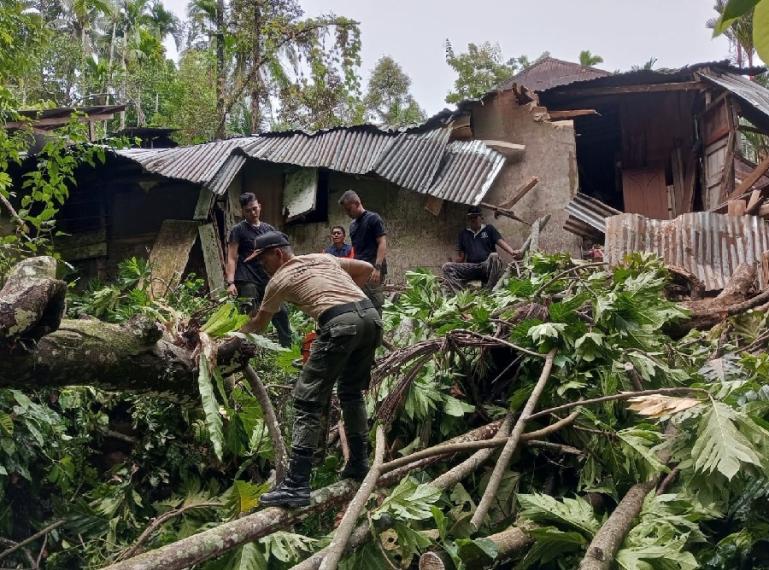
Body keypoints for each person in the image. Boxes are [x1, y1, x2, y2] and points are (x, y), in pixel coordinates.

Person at [238, 231, 382, 507]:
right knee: (351, 393)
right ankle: (359, 462)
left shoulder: (278, 279)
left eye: (263, 260)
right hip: (371, 319)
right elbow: (365, 268)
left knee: (307, 400)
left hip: (341, 325)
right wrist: (346, 300)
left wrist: (232, 335)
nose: (262, 267)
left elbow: (259, 325)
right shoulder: (322, 257)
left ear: (278, 254)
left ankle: (296, 484)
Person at [225, 193, 293, 347]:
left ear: (260, 207)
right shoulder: (238, 230)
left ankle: (287, 348)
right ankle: (243, 348)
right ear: (243, 211)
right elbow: (232, 257)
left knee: (281, 312)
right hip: (246, 278)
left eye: (254, 208)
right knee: (249, 312)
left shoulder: (269, 229)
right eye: (248, 210)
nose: (252, 213)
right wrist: (231, 282)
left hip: (266, 278)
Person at [441, 206, 519, 292]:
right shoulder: (463, 234)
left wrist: (513, 252)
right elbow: (461, 258)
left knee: (494, 256)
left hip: (487, 266)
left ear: (481, 217)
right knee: (446, 267)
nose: (473, 219)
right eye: (470, 217)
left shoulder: (489, 229)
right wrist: (453, 263)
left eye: (475, 217)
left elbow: (501, 242)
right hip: (472, 267)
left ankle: (490, 290)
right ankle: (461, 295)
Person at [338, 190, 387, 314]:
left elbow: (382, 243)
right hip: (360, 269)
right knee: (361, 304)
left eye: (349, 209)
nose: (347, 213)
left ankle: (377, 327)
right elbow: (356, 250)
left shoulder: (373, 218)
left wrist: (377, 268)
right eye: (345, 211)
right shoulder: (352, 226)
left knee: (375, 303)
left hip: (373, 269)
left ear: (357, 203)